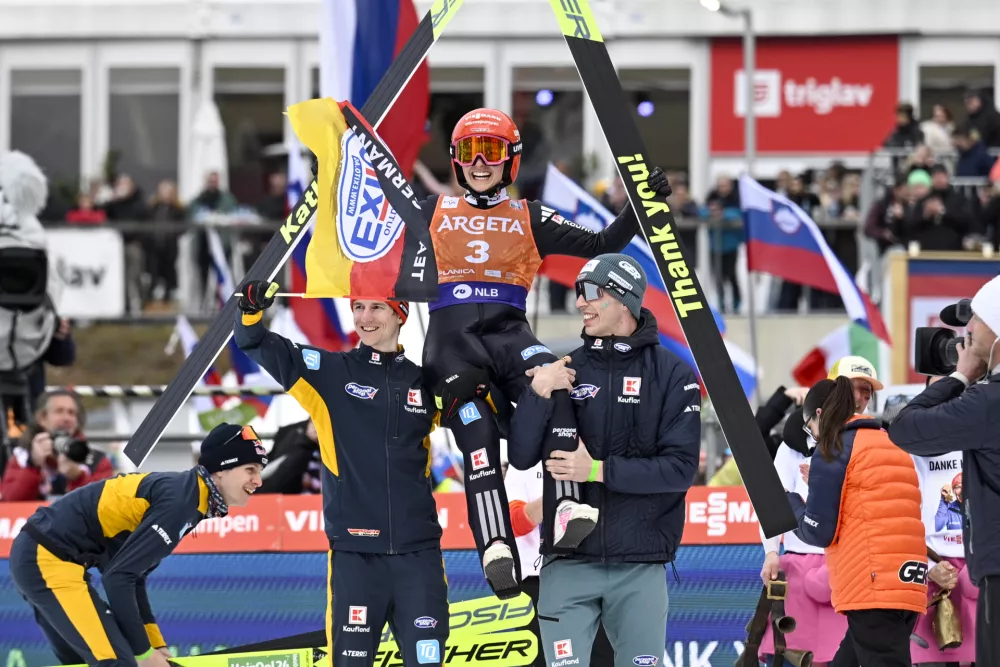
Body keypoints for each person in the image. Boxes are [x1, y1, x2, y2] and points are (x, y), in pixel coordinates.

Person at [420, 109, 672, 599]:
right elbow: (366, 216)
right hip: (452, 345)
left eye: (490, 151)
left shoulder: (528, 215)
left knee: (562, 380)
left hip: (509, 333)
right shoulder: (432, 209)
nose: (478, 162)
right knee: (475, 430)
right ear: (454, 159)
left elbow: (602, 244)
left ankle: (564, 506)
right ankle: (495, 545)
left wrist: (642, 200)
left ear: (510, 160)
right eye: (469, 151)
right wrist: (336, 166)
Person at [233, 280, 449, 667]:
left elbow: (484, 416)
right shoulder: (329, 373)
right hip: (356, 557)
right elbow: (253, 342)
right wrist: (250, 310)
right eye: (358, 307)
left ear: (400, 315)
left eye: (377, 308)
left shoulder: (425, 381)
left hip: (419, 556)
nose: (364, 317)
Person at [507, 254, 701, 667]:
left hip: (641, 563)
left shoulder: (673, 375)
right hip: (568, 561)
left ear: (625, 302)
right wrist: (536, 393)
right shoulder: (563, 369)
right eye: (578, 292)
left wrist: (595, 469)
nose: (580, 302)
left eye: (594, 292)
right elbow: (521, 456)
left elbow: (680, 470)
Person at [8, 422, 265, 667]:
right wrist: (143, 652)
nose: (258, 481)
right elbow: (118, 577)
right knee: (119, 661)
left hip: (43, 555)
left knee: (87, 661)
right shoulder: (182, 501)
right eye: (250, 470)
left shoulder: (190, 496)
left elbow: (133, 574)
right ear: (221, 468)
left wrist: (154, 643)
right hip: (46, 558)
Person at [887, 276, 1000, 666]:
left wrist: (961, 375)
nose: (966, 334)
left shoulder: (987, 402)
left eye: (977, 323)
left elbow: (903, 427)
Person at [790, 378, 926, 667]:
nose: (813, 437)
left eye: (809, 429)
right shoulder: (889, 441)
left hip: (872, 586)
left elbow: (818, 532)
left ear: (818, 415)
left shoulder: (834, 447)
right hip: (905, 582)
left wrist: (789, 506)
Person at [757, 384, 847, 667]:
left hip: (844, 566)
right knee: (788, 654)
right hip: (797, 568)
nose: (862, 398)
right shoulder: (792, 446)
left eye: (867, 392)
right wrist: (771, 552)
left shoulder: (862, 441)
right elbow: (774, 503)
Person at [505, 462, 613, 667]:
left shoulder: (600, 449)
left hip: (596, 577)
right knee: (541, 660)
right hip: (539, 580)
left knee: (603, 659)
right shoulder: (525, 459)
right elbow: (513, 522)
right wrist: (558, 499)